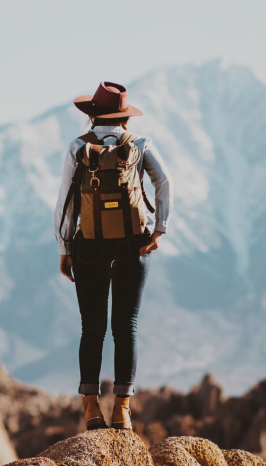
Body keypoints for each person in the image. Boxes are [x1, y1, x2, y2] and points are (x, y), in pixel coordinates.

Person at [53, 82, 173, 430]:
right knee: (126, 326)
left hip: (88, 244)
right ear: (124, 117)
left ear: (92, 115)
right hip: (133, 243)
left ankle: (91, 406)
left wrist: (65, 247)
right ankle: (122, 409)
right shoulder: (140, 145)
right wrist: (159, 228)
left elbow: (65, 203)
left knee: (92, 327)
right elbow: (165, 181)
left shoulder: (78, 148)